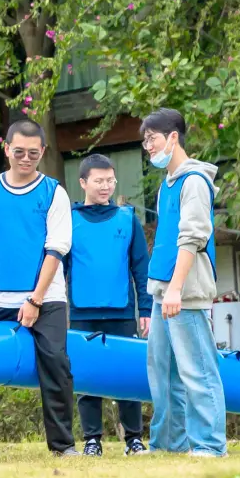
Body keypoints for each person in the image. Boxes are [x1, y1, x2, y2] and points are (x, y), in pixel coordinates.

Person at [0, 120, 76, 457]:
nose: (26, 159)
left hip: (46, 297)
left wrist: (35, 300)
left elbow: (56, 249)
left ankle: (63, 445)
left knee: (56, 362)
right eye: (20, 152)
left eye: (33, 153)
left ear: (43, 152)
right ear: (7, 149)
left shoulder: (54, 192)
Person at [139, 108, 227, 456]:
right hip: (162, 289)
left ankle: (210, 445)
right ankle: (167, 443)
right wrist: (164, 290)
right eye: (145, 140)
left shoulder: (194, 181)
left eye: (152, 138)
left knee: (198, 370)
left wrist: (176, 289)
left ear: (173, 137)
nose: (148, 146)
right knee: (163, 372)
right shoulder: (168, 184)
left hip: (185, 291)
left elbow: (192, 238)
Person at [68, 153, 153, 456]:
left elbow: (141, 268)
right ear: (83, 183)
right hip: (82, 312)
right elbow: (56, 265)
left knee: (127, 374)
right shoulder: (68, 219)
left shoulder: (127, 218)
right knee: (86, 376)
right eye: (99, 181)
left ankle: (134, 439)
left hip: (122, 311)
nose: (105, 186)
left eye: (110, 180)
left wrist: (146, 310)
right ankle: (92, 439)